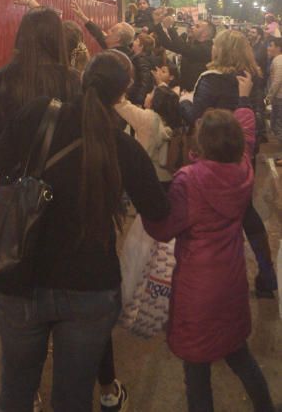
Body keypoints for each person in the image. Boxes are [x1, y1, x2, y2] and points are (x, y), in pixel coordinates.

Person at [0, 51, 170, 412]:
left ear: (82, 76)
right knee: (73, 398)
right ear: (123, 92)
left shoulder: (40, 112)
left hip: (22, 274)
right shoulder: (124, 146)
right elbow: (159, 212)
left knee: (16, 390)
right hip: (89, 287)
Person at [144, 83, 276, 412]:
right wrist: (243, 98)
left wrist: (148, 206)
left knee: (196, 369)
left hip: (197, 288)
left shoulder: (191, 180)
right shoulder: (243, 170)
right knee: (239, 354)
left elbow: (163, 228)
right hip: (230, 278)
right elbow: (246, 130)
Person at [180, 29, 277, 297]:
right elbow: (256, 117)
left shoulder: (211, 80)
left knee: (212, 214)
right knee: (245, 209)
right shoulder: (251, 77)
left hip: (212, 155)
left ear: (221, 50)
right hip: (243, 152)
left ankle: (213, 279)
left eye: (215, 44)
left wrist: (182, 102)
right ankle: (267, 273)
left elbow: (198, 119)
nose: (211, 47)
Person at [0, 7, 80, 160]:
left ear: (21, 37)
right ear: (59, 39)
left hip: (14, 180)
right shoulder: (74, 81)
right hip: (63, 180)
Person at [116, 84, 183, 189]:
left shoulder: (147, 118)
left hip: (148, 176)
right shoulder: (169, 123)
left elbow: (122, 106)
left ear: (155, 101)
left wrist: (120, 87)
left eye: (150, 93)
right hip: (167, 177)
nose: (147, 94)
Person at [152, 10, 215, 91]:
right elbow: (167, 44)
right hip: (186, 91)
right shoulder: (194, 44)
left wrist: (170, 27)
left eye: (197, 26)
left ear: (204, 34)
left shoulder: (207, 49)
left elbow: (182, 47)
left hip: (195, 94)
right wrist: (158, 24)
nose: (192, 27)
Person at [267, 37, 282, 146]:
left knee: (277, 126)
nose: (269, 48)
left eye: (271, 45)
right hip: (278, 97)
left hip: (279, 97)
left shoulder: (278, 60)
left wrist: (269, 97)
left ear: (278, 48)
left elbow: (277, 81)